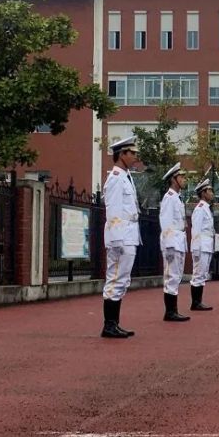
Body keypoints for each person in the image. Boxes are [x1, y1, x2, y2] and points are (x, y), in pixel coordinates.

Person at [101, 136, 141, 339]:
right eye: (132, 153)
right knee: (115, 279)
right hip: (121, 237)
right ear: (122, 154)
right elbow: (114, 210)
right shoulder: (116, 178)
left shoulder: (126, 176)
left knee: (122, 280)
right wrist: (117, 241)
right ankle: (109, 325)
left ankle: (114, 323)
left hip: (129, 235)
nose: (135, 157)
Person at [158, 162, 190, 323]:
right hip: (172, 242)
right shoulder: (169, 198)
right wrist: (169, 244)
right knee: (171, 276)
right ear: (173, 179)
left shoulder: (177, 198)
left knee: (176, 276)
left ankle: (173, 310)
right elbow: (166, 222)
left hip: (179, 241)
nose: (185, 179)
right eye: (182, 177)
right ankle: (170, 312)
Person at [189, 178, 215, 311]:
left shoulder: (206, 208)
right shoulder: (200, 209)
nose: (212, 193)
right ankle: (195, 302)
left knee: (203, 273)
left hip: (207, 245)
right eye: (209, 190)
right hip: (201, 245)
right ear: (203, 193)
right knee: (198, 274)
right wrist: (196, 248)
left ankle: (198, 301)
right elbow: (196, 230)